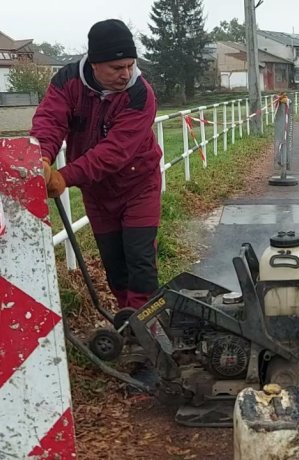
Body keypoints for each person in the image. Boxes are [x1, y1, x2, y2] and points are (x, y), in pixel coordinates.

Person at [31, 19, 163, 311]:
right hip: (98, 192)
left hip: (139, 185)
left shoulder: (141, 95)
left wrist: (64, 176)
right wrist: (41, 157)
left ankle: (146, 325)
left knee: (140, 259)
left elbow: (115, 152)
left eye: (130, 65)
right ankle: (128, 321)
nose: (126, 74)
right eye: (117, 68)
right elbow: (50, 120)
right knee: (114, 262)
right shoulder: (67, 81)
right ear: (94, 63)